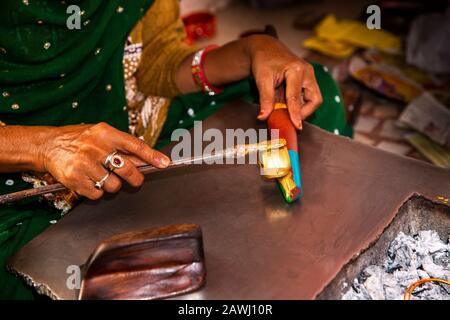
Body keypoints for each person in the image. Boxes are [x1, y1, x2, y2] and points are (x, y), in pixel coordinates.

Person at [0, 0, 350, 299]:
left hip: (132, 125)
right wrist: (44, 146)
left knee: (303, 94)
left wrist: (251, 51)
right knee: (68, 279)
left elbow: (157, 64)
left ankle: (315, 245)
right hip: (17, 174)